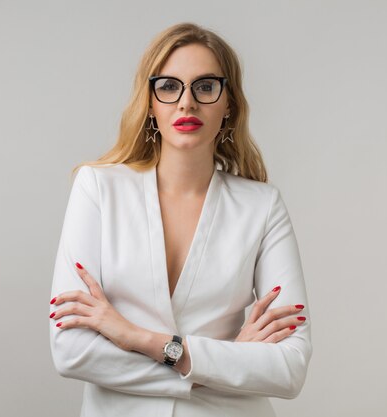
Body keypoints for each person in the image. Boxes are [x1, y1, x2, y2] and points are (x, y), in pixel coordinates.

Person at [48, 22, 312, 417]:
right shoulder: (99, 189)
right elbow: (71, 351)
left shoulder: (263, 206)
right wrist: (221, 364)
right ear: (150, 102)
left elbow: (289, 368)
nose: (186, 102)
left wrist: (136, 337)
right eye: (169, 86)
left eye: (205, 87)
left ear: (229, 105)